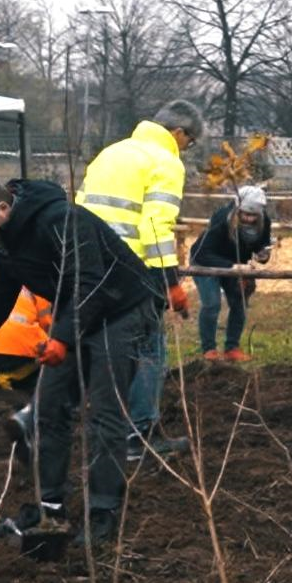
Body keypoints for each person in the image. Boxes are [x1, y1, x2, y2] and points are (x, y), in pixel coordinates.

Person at [0, 178, 161, 545]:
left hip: (122, 307)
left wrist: (62, 339)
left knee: (105, 411)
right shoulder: (4, 244)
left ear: (3, 209)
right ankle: (50, 509)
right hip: (77, 310)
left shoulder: (61, 219)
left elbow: (91, 281)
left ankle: (102, 512)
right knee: (48, 408)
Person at [79, 98, 199, 461]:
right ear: (178, 132)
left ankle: (104, 427)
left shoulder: (110, 153)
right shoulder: (165, 161)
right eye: (190, 141)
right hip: (134, 274)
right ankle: (139, 435)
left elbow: (81, 211)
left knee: (103, 350)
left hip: (90, 269)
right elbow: (155, 226)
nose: (186, 148)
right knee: (148, 349)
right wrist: (170, 282)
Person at [191, 184, 274, 362]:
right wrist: (231, 266)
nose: (249, 219)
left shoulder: (264, 221)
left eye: (253, 215)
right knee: (212, 303)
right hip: (206, 264)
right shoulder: (222, 219)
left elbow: (263, 244)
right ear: (238, 209)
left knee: (239, 302)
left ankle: (232, 348)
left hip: (236, 266)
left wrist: (263, 254)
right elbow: (202, 253)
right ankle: (209, 349)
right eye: (245, 214)